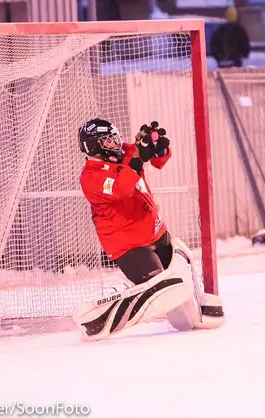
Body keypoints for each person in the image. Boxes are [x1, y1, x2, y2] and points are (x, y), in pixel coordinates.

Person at [71, 118, 224, 340]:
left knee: (184, 316)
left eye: (115, 137)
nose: (116, 142)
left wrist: (158, 146)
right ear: (94, 146)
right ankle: (122, 301)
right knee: (168, 297)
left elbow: (157, 159)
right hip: (131, 247)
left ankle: (178, 300)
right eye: (109, 140)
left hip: (157, 233)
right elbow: (122, 189)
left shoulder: (122, 152)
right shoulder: (91, 177)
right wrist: (137, 160)